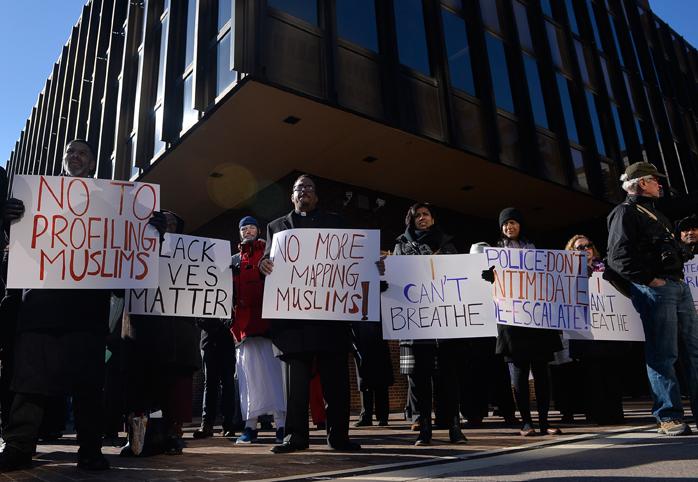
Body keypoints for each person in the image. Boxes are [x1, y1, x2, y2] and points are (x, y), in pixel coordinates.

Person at [0, 140, 165, 471]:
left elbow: (125, 251)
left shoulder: (112, 202)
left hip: (87, 308)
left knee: (88, 384)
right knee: (29, 380)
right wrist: (7, 219)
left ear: (92, 165)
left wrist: (150, 234)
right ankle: (19, 446)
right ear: (64, 160)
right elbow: (20, 243)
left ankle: (89, 449)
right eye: (70, 152)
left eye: (82, 154)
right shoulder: (35, 198)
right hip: (41, 303)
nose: (75, 157)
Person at [259, 174, 360, 454]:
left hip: (330, 319)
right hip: (293, 323)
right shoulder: (276, 227)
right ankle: (295, 438)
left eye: (309, 188)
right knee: (295, 388)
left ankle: (338, 437)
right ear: (292, 196)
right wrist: (263, 265)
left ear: (316, 196)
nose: (303, 191)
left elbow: (352, 261)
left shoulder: (336, 223)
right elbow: (267, 260)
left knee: (336, 384)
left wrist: (371, 265)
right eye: (298, 188)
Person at [607, 162, 698, 436]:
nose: (660, 185)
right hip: (656, 288)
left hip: (677, 286)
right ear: (642, 183)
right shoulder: (624, 212)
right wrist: (650, 280)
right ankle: (668, 416)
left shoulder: (658, 216)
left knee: (693, 352)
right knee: (663, 353)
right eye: (656, 180)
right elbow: (617, 257)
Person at [120, 211, 200, 456]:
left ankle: (171, 436)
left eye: (173, 223)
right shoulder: (138, 247)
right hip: (142, 332)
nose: (167, 225)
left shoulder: (189, 254)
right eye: (162, 221)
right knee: (138, 389)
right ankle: (136, 439)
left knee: (172, 392)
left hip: (177, 335)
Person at [393, 202, 467, 446]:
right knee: (418, 380)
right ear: (411, 220)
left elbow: (462, 277)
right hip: (414, 327)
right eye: (417, 216)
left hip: (444, 326)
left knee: (449, 379)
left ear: (433, 219)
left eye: (426, 215)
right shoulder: (400, 246)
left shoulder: (446, 245)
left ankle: (454, 427)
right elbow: (393, 279)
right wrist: (384, 281)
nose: (422, 218)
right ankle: (423, 428)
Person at [494, 207, 562, 437]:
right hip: (512, 322)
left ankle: (543, 421)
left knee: (542, 373)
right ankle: (526, 423)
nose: (508, 227)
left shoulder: (537, 248)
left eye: (512, 222)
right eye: (505, 224)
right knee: (519, 373)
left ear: (520, 224)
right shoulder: (495, 252)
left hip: (538, 320)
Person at [231, 216, 286, 444]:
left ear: (258, 230)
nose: (248, 231)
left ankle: (282, 424)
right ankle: (250, 426)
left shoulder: (271, 253)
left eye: (252, 227)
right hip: (244, 329)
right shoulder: (234, 260)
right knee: (248, 378)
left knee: (276, 377)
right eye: (244, 228)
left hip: (268, 325)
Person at [566, 235, 626, 425]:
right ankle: (597, 414)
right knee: (592, 375)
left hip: (609, 331)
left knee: (612, 373)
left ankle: (615, 414)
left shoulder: (607, 268)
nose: (586, 249)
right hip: (586, 333)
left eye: (589, 245)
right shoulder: (568, 272)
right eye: (580, 247)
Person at [193, 311, 238, 438]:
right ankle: (207, 424)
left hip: (226, 343)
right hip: (208, 342)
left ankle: (228, 424)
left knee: (227, 384)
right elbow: (198, 319)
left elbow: (233, 317)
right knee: (210, 384)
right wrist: (218, 324)